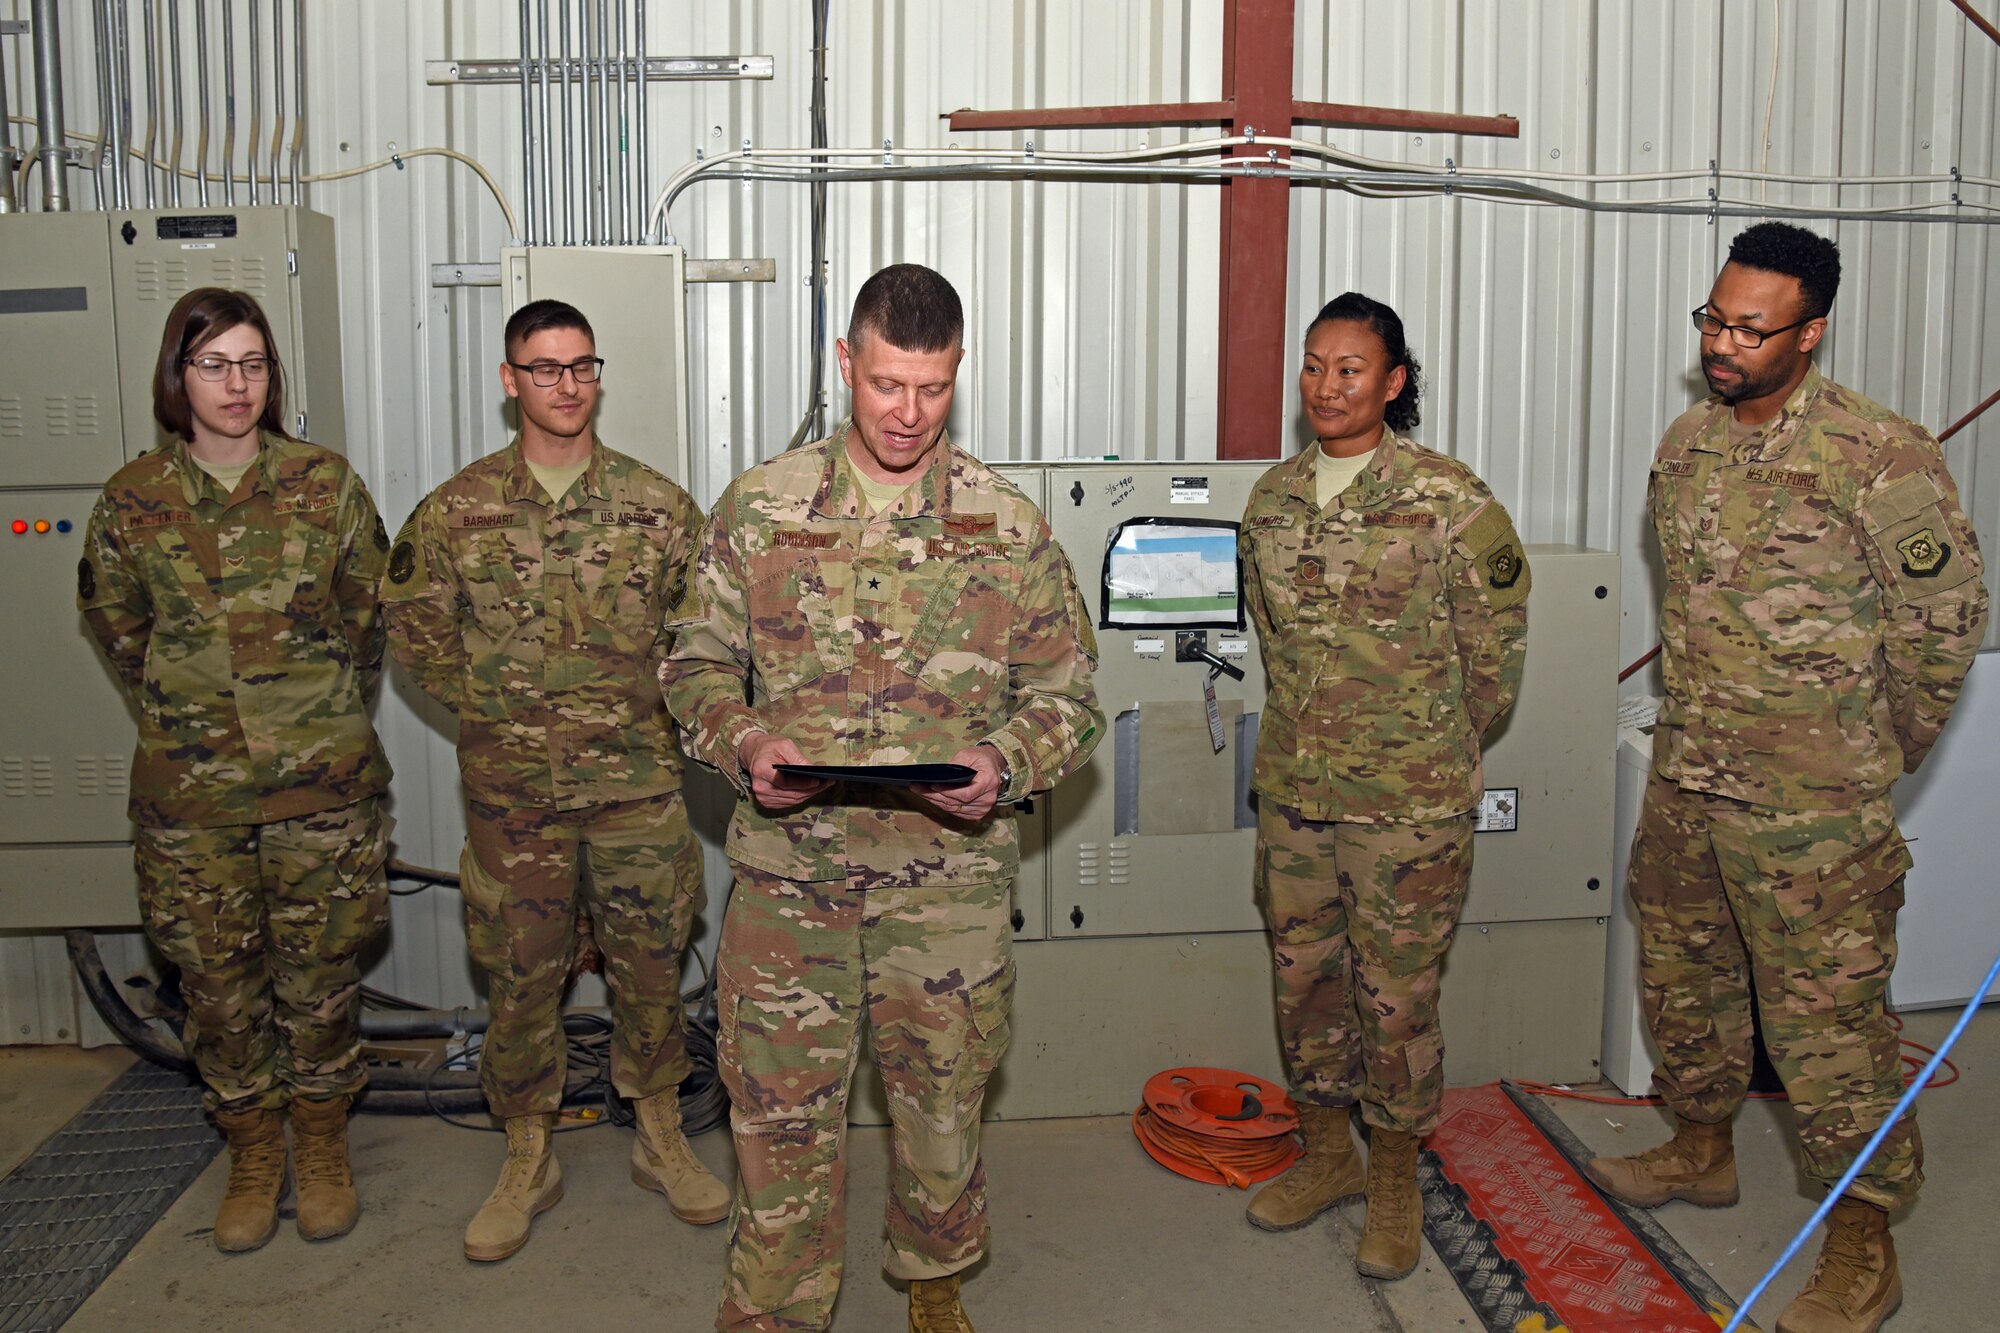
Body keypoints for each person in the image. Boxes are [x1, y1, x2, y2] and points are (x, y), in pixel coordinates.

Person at [663, 263, 1103, 1333]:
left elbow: (1070, 697)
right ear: (844, 364)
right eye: (886, 385)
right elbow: (692, 662)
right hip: (788, 883)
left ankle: (933, 1278)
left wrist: (1006, 759)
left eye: (934, 388)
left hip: (945, 890)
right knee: (777, 1119)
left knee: (941, 1111)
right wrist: (742, 736)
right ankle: (774, 1311)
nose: (908, 415)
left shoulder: (1004, 522)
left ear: (958, 375)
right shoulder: (761, 507)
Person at [1584, 223, 1986, 1333]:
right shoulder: (1687, 445)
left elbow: (1943, 622)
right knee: (1684, 981)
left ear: (1807, 333)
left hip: (1809, 811)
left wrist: (1866, 756)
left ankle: (1863, 1246)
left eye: (1748, 328)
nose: (1721, 342)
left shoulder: (1877, 454)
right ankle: (1700, 1145)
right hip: (1689, 781)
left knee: (1828, 1034)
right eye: (1711, 319)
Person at [380, 298, 727, 1262]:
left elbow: (701, 636)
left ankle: (658, 1130)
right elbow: (413, 628)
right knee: (520, 977)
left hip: (637, 790)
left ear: (597, 375)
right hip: (515, 797)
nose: (565, 385)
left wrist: (646, 718)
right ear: (510, 381)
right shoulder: (458, 511)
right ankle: (528, 1148)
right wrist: (494, 708)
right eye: (544, 368)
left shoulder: (658, 509)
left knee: (652, 963)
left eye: (581, 366)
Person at [77, 287, 394, 1253]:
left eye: (253, 364)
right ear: (179, 376)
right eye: (214, 365)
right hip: (193, 799)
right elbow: (119, 628)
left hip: (321, 795)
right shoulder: (133, 499)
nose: (237, 384)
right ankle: (252, 1148)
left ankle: (323, 1140)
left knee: (321, 978)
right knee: (217, 986)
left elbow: (366, 622)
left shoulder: (323, 485)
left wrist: (308, 715)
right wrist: (195, 718)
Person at [1236, 292, 1530, 1279]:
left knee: (1394, 1000)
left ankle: (1394, 1174)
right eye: (1313, 365)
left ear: (1393, 382)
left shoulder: (1450, 500)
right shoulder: (1271, 499)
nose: (1326, 385)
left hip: (1407, 806)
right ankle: (1327, 1157)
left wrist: (1440, 744)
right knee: (1304, 981)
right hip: (1295, 793)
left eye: (1349, 368)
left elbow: (1493, 655)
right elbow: (1272, 643)